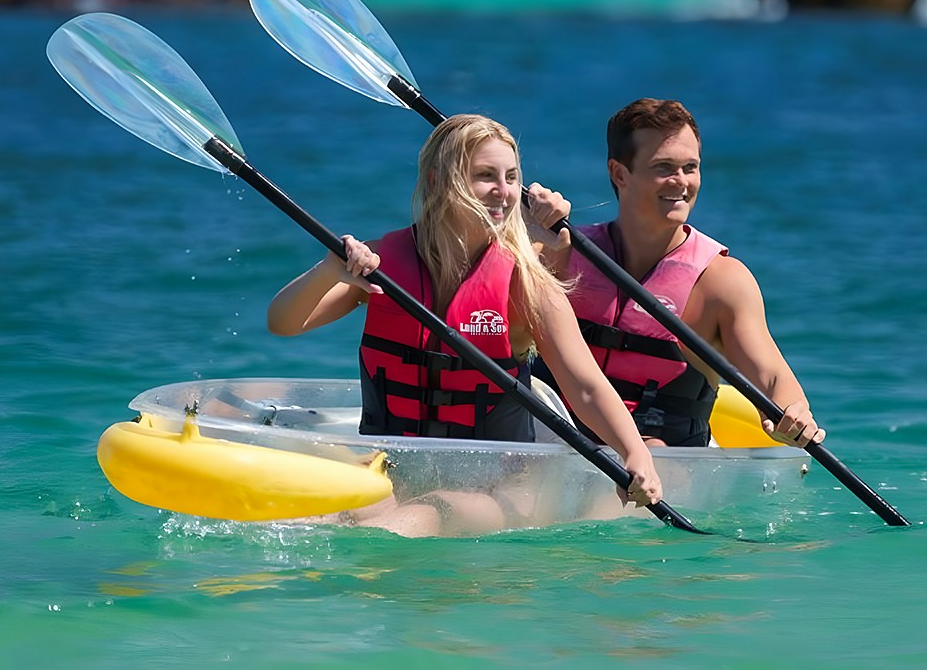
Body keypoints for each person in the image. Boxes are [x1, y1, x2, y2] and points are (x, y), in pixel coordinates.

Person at [266, 113, 663, 519]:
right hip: (400, 472)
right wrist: (328, 270)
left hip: (500, 490)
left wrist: (635, 455)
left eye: (511, 177)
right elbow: (283, 322)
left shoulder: (524, 281)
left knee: (426, 514)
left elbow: (586, 386)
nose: (503, 192)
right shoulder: (383, 265)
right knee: (333, 515)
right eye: (485, 176)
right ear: (439, 180)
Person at [526, 98, 825, 449]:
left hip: (663, 458)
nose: (681, 182)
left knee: (653, 450)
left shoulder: (720, 282)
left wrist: (796, 410)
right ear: (620, 173)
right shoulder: (562, 253)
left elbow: (772, 374)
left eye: (691, 167)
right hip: (556, 437)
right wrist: (528, 234)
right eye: (664, 167)